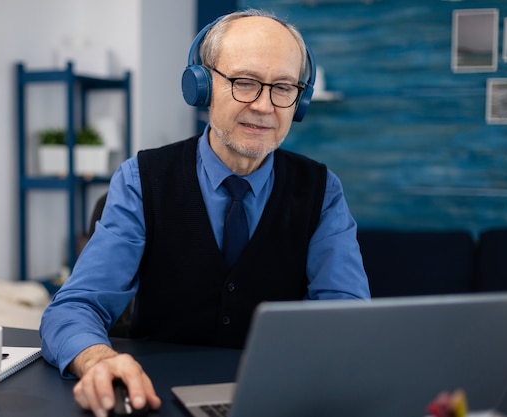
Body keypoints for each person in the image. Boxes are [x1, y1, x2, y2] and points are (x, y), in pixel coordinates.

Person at [40, 8, 370, 416]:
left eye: (283, 87)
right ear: (200, 86)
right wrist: (98, 360)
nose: (265, 106)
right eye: (245, 82)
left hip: (273, 401)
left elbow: (346, 317)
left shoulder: (323, 191)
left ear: (298, 100)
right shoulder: (141, 180)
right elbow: (75, 306)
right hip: (154, 397)